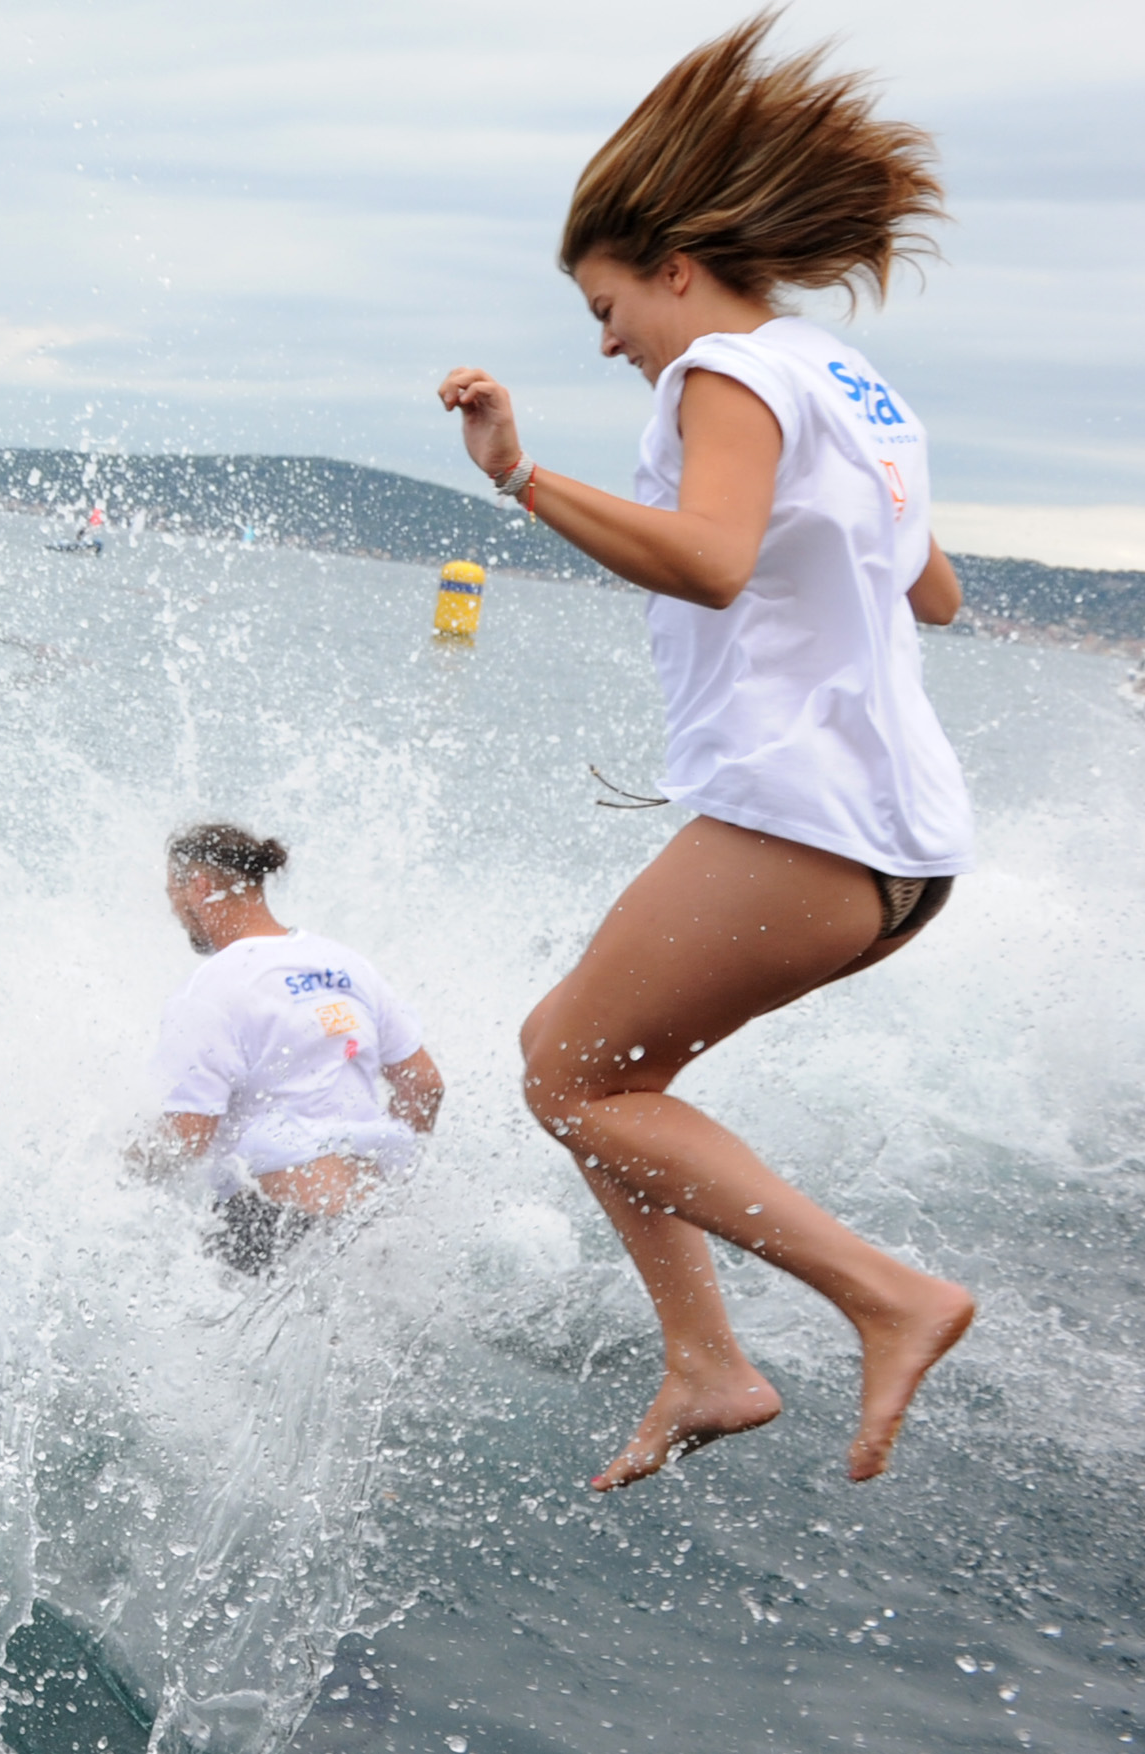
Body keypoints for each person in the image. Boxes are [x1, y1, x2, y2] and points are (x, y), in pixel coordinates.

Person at [435, 15, 975, 1489]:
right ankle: (705, 1360)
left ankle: (886, 1296)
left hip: (810, 819)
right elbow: (934, 589)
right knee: (590, 1060)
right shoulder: (857, 391)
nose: (608, 340)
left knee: (570, 1078)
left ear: (674, 267)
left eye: (610, 306)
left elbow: (717, 563)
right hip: (907, 843)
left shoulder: (721, 375)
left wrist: (522, 476)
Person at [134, 824, 444, 1273]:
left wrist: (117, 1166)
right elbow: (426, 1087)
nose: (175, 913)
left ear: (198, 887)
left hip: (278, 1226)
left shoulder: (209, 989)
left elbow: (187, 1136)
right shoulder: (346, 963)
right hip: (376, 1217)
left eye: (172, 895)